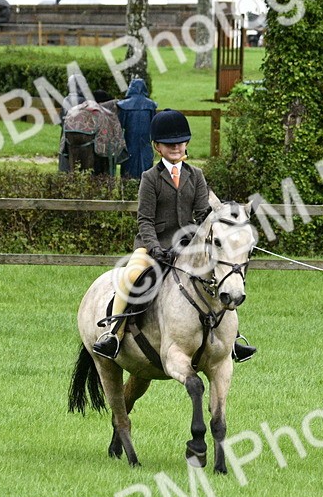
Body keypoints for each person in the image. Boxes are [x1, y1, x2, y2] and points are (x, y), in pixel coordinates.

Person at [92, 110, 256, 363]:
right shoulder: (150, 178)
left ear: (186, 144)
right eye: (169, 144)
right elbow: (145, 220)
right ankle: (114, 333)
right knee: (131, 276)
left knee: (219, 278)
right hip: (153, 247)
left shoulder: (196, 175)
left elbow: (202, 214)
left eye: (179, 143)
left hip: (188, 249)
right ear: (157, 147)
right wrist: (155, 248)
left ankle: (232, 339)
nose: (175, 147)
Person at [118, 78, 156, 179]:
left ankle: (128, 185)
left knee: (128, 165)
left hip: (130, 141)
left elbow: (120, 126)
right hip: (145, 141)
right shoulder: (150, 105)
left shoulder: (124, 106)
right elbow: (154, 124)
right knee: (146, 165)